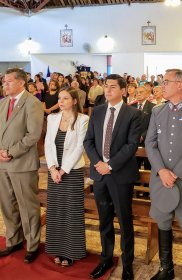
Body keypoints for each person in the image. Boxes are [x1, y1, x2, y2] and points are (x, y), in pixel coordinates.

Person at [145, 69, 182, 280]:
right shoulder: (157, 111)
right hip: (161, 180)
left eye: (166, 82)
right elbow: (150, 143)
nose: (162, 85)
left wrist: (175, 174)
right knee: (162, 222)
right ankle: (166, 268)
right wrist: (162, 171)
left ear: (180, 85)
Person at [84, 74, 141, 280]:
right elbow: (88, 141)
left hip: (120, 174)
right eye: (106, 86)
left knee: (125, 221)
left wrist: (110, 165)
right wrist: (99, 164)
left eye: (113, 87)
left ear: (124, 90)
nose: (108, 90)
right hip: (100, 174)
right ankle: (106, 258)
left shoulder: (133, 114)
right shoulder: (98, 111)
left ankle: (127, 264)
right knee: (104, 219)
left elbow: (131, 145)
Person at [0, 68, 44, 263]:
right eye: (4, 82)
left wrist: (10, 152)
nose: (4, 85)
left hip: (22, 163)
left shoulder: (33, 103)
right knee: (7, 204)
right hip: (2, 164)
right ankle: (14, 240)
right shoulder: (3, 103)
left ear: (21, 82)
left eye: (9, 82)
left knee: (27, 206)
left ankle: (32, 244)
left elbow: (33, 135)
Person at [44, 87, 89, 267]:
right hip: (54, 172)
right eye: (59, 98)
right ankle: (58, 249)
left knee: (71, 212)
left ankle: (71, 252)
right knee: (55, 211)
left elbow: (80, 147)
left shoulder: (83, 119)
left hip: (71, 172)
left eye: (65, 98)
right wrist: (53, 168)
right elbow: (48, 144)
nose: (61, 102)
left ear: (75, 101)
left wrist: (63, 170)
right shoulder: (52, 118)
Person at [131, 85, 155, 170]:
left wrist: (143, 136)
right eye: (136, 93)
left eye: (141, 92)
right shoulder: (131, 107)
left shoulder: (153, 107)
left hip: (148, 141)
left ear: (147, 94)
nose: (138, 94)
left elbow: (153, 126)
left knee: (148, 167)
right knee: (134, 167)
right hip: (133, 141)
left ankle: (146, 184)